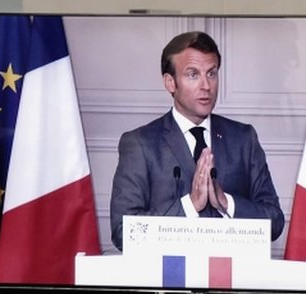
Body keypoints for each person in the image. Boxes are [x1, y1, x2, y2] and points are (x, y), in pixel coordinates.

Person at [109, 31, 284, 250]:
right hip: (168, 279)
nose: (206, 86)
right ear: (170, 82)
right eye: (193, 75)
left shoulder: (244, 139)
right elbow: (123, 232)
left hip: (231, 278)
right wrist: (189, 205)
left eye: (211, 73)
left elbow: (275, 221)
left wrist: (226, 202)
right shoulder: (140, 143)